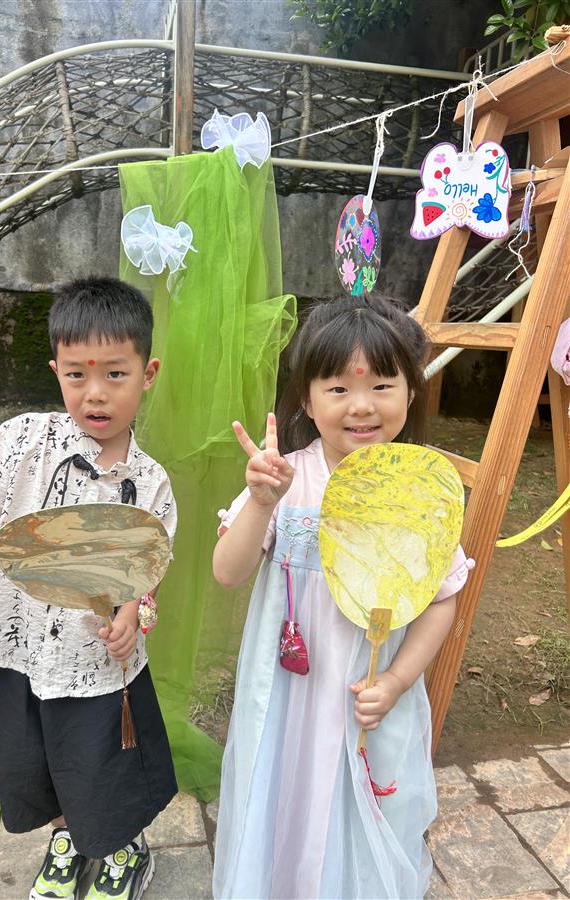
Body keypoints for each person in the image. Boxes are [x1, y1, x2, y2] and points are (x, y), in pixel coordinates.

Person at [0, 280, 178, 900]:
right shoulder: (21, 439)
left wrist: (131, 612)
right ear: (56, 372)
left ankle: (123, 849)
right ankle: (66, 836)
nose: (95, 393)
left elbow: (145, 568)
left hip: (94, 658)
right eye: (77, 375)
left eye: (115, 374)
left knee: (100, 762)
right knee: (39, 761)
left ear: (148, 373)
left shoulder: (149, 483)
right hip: (20, 650)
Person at [211, 296, 474, 899]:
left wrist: (398, 682)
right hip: (286, 697)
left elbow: (442, 599)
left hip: (369, 697)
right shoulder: (287, 478)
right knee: (286, 795)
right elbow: (227, 572)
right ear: (307, 400)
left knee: (362, 800)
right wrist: (261, 503)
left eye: (382, 385)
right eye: (338, 388)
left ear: (411, 391)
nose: (361, 405)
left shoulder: (419, 492)